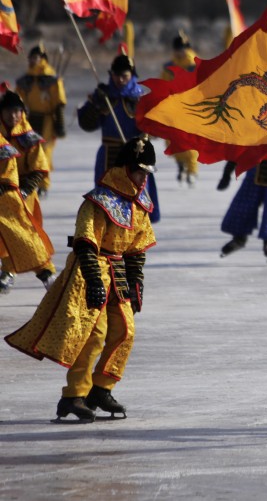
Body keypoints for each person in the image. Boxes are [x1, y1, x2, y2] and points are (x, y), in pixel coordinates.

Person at [5, 135, 157, 422]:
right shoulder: (98, 201)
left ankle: (101, 389)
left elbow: (137, 250)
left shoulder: (140, 203)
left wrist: (136, 284)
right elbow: (85, 242)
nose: (142, 178)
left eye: (146, 173)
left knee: (125, 331)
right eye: (139, 171)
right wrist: (94, 282)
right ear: (125, 169)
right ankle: (73, 395)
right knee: (93, 335)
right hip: (91, 270)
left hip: (118, 273)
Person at [77, 53, 160, 222]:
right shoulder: (104, 95)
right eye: (116, 75)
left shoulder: (140, 97)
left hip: (135, 155)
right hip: (109, 154)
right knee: (107, 197)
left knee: (136, 197)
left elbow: (156, 129)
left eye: (124, 76)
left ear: (131, 75)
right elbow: (87, 125)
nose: (120, 80)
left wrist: (144, 138)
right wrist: (94, 105)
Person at [0, 89, 55, 292]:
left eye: (17, 111)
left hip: (23, 192)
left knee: (25, 234)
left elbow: (39, 170)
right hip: (3, 193)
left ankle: (46, 271)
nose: (13, 116)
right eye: (8, 112)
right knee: (5, 235)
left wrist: (24, 191)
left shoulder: (29, 139)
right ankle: (8, 271)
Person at [218, 141, 267, 261]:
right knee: (245, 201)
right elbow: (240, 144)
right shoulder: (254, 122)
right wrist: (227, 173)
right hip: (257, 162)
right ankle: (239, 238)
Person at [15, 43, 67, 197]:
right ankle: (28, 181)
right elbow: (20, 101)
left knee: (44, 152)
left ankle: (44, 184)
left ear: (42, 59)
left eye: (35, 58)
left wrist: (60, 124)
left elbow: (58, 103)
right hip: (30, 118)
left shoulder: (51, 79)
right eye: (30, 58)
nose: (32, 60)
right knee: (28, 150)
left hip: (47, 120)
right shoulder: (27, 80)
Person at [161, 31, 200, 186]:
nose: (179, 52)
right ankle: (180, 164)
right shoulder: (169, 67)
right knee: (172, 140)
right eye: (177, 49)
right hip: (173, 108)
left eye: (182, 48)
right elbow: (163, 85)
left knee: (190, 142)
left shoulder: (194, 65)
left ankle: (192, 170)